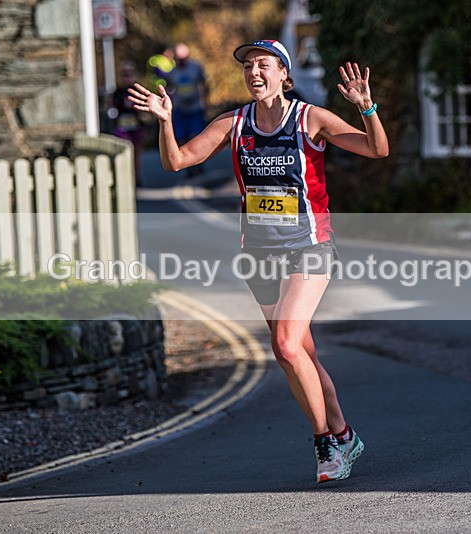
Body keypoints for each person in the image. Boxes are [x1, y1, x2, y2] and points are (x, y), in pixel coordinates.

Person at [128, 39, 389, 483]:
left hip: (310, 247)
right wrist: (166, 121)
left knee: (286, 345)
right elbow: (176, 162)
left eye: (264, 64)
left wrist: (367, 108)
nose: (254, 72)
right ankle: (344, 433)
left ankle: (327, 446)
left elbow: (376, 150)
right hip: (260, 255)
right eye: (249, 66)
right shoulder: (234, 122)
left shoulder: (310, 119)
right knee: (300, 354)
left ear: (283, 74)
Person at [163, 43, 208, 177]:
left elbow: (204, 85)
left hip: (195, 108)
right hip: (180, 109)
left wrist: (205, 102)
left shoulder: (196, 68)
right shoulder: (172, 72)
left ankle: (199, 162)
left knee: (196, 136)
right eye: (178, 59)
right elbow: (169, 89)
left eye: (183, 59)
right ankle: (188, 165)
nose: (181, 62)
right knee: (181, 138)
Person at [110, 61, 147, 186]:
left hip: (135, 126)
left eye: (129, 74)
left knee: (136, 154)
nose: (127, 77)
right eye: (124, 74)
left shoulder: (137, 90)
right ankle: (125, 178)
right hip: (122, 127)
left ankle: (137, 177)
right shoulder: (117, 92)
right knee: (123, 153)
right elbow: (113, 108)